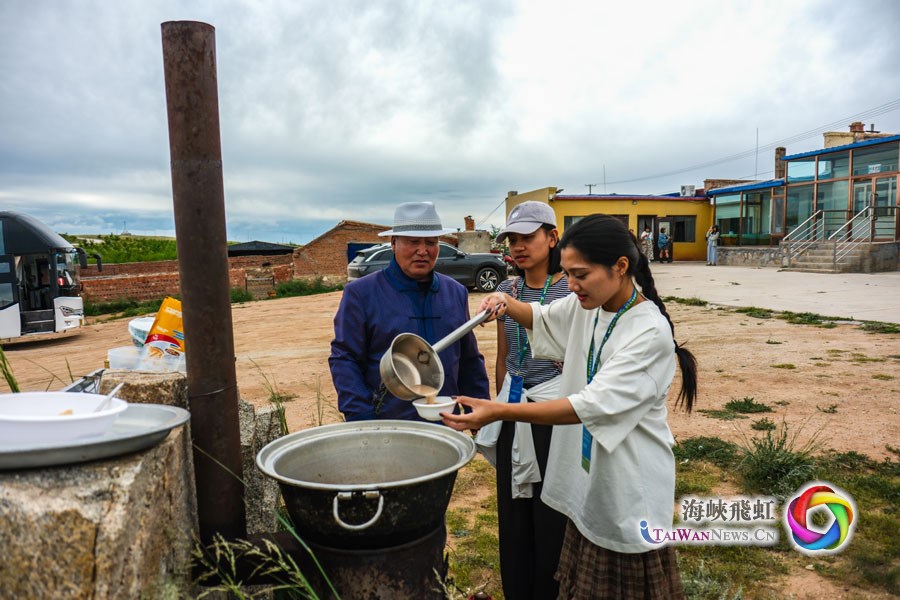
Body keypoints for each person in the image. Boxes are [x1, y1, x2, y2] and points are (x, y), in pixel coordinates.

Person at [443, 214, 697, 599]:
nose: (572, 285)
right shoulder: (589, 305)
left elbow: (587, 406)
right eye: (567, 274)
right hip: (589, 478)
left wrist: (498, 410)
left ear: (621, 266)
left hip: (628, 485)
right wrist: (506, 302)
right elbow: (542, 318)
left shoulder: (648, 331)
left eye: (580, 274)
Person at [476, 201, 570, 599]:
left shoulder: (572, 286)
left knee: (552, 511)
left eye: (527, 237)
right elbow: (504, 357)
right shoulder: (506, 289)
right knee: (514, 512)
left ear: (551, 237)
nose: (518, 246)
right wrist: (501, 407)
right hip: (513, 408)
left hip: (556, 413)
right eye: (512, 239)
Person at [329, 202, 490, 421]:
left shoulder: (455, 292)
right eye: (413, 242)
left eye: (431, 242)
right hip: (388, 423)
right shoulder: (361, 293)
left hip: (445, 423)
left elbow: (469, 359)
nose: (422, 251)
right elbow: (345, 358)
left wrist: (477, 411)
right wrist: (361, 417)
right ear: (393, 243)